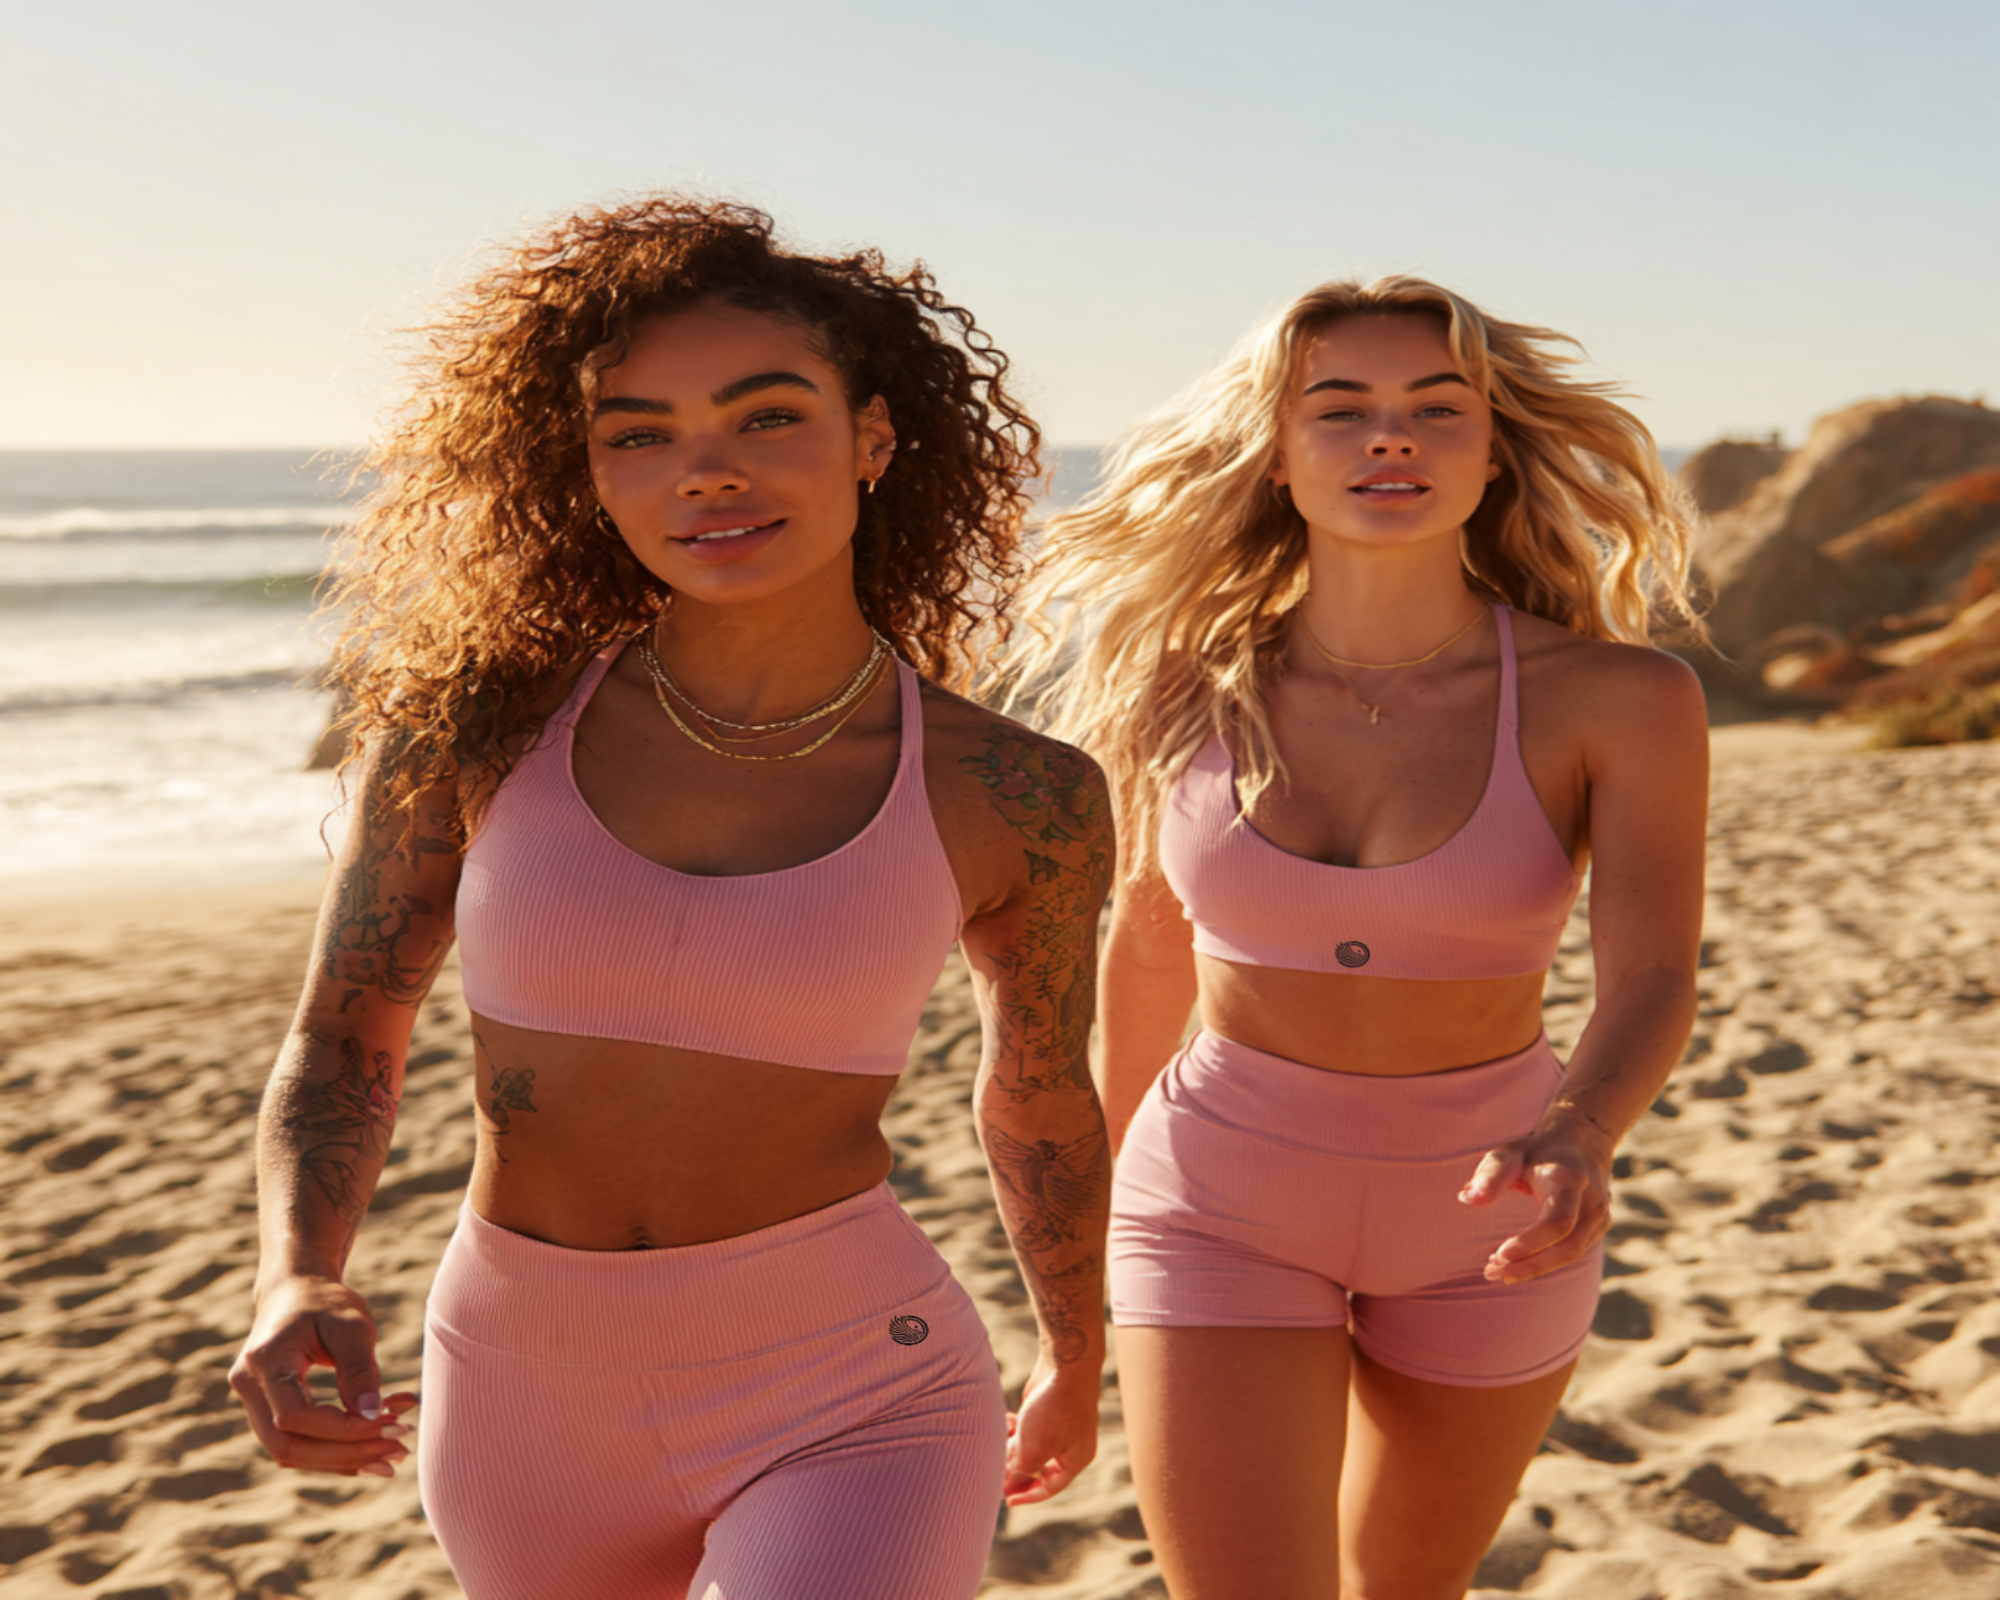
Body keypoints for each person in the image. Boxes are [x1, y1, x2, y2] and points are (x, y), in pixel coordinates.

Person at [228, 197, 1112, 1600]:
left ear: (872, 438)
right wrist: (297, 1271)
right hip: (522, 1382)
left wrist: (1076, 1348)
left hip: (856, 1391)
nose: (705, 474)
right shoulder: (478, 728)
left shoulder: (1019, 794)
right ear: (585, 468)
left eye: (766, 418)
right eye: (640, 433)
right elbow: (348, 1031)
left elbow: (1040, 1097)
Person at [1012, 276, 1707, 1597]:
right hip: (1218, 1197)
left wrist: (1583, 1130)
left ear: (1493, 449)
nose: (1391, 436)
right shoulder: (1183, 679)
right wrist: (1079, 1268)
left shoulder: (1619, 699)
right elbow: (1148, 956)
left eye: (1437, 408)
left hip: (1493, 1213)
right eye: (1342, 408)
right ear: (1276, 450)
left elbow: (1656, 973)